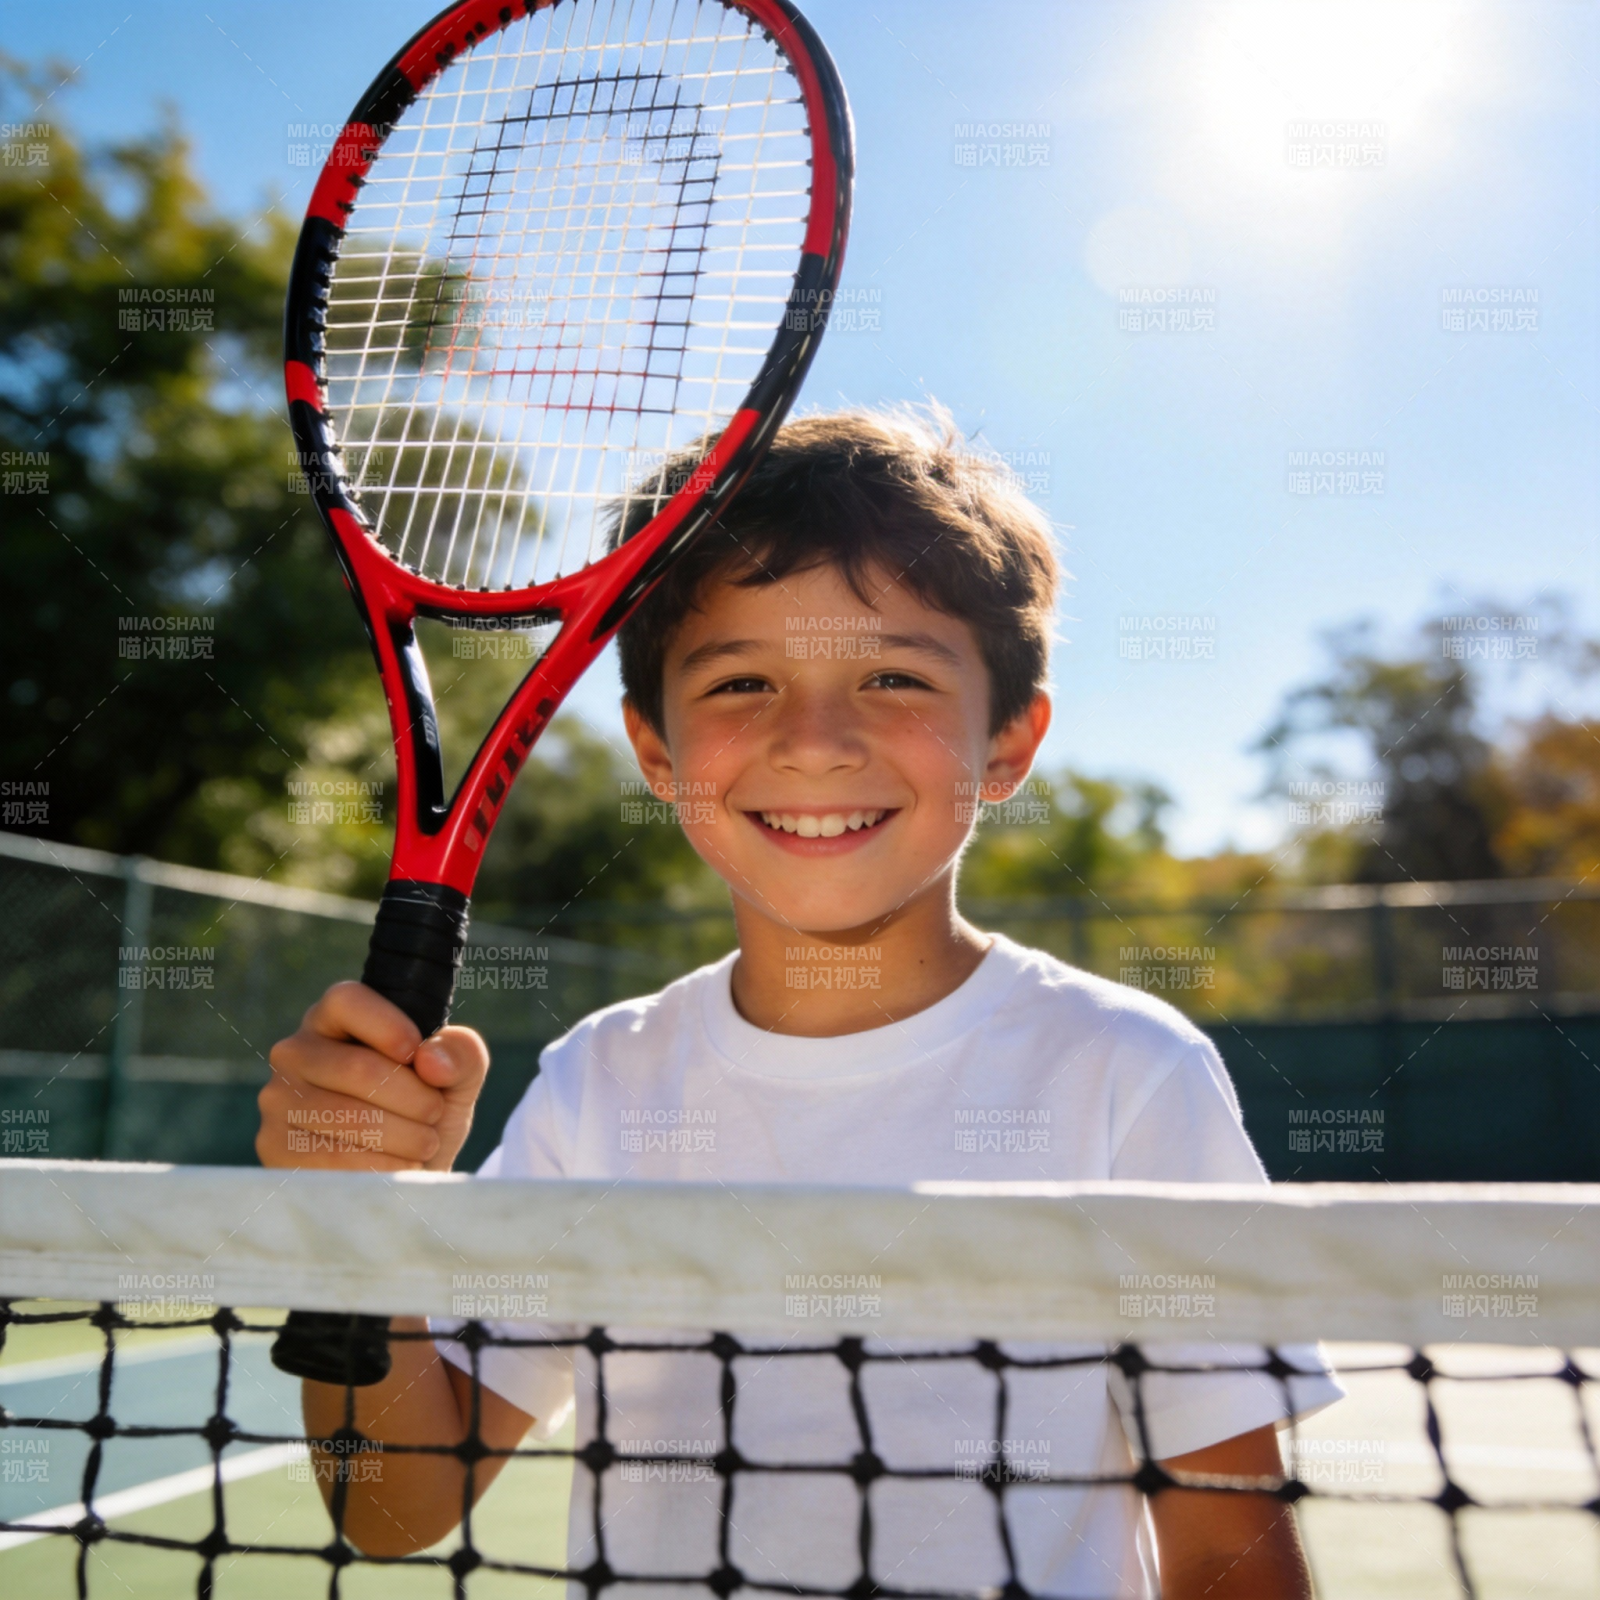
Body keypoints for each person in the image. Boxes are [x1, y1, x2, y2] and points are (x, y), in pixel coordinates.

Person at [258, 407, 1340, 1599]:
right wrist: (358, 1224)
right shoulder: (598, 1081)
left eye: (891, 676)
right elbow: (392, 1502)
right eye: (740, 680)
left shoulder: (1127, 1072)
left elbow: (1229, 1554)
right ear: (657, 754)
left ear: (1008, 743)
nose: (814, 742)